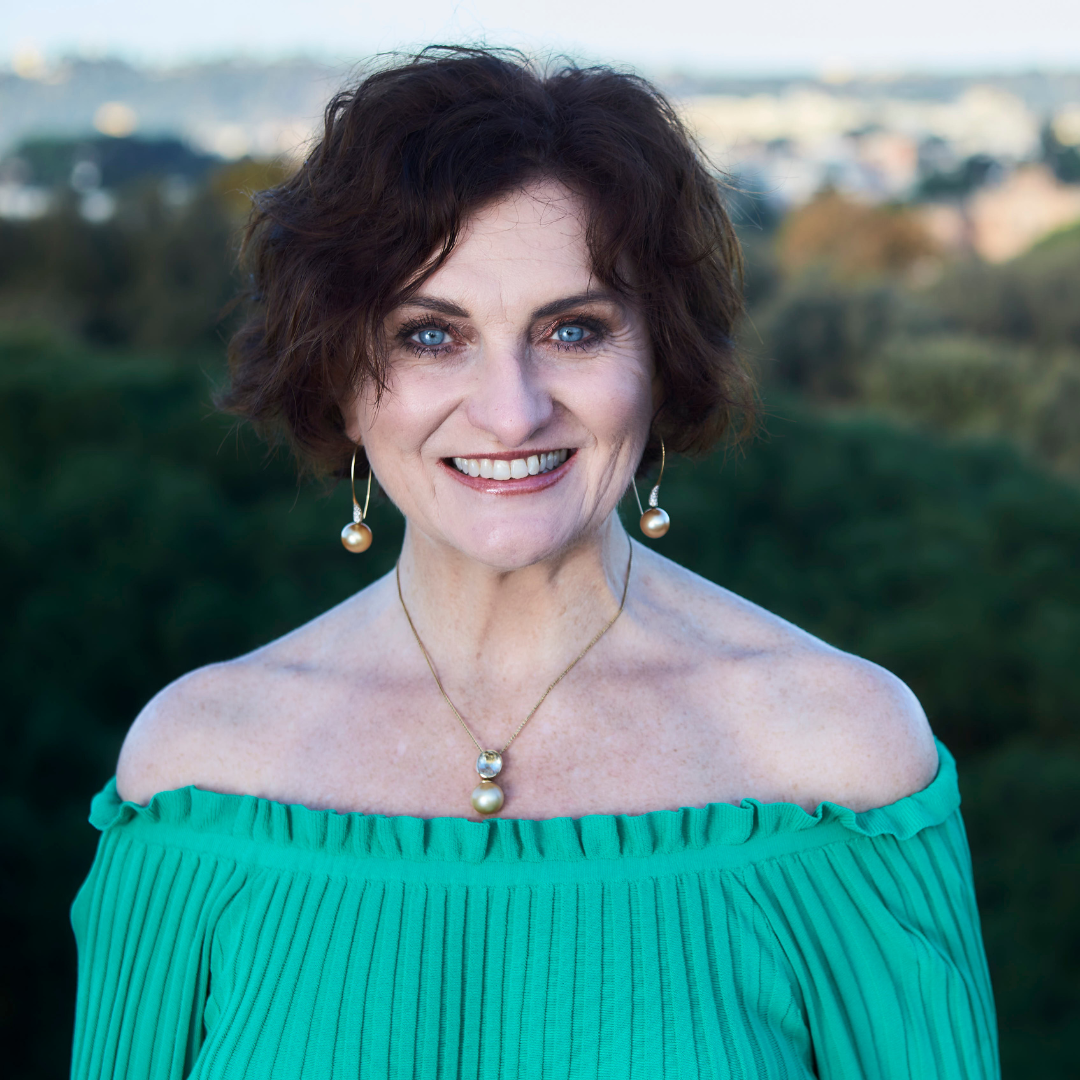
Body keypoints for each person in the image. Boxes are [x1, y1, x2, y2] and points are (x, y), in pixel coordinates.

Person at [70, 47, 999, 1078]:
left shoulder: (840, 762)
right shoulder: (195, 770)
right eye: (431, 336)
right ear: (338, 377)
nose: (511, 412)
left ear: (661, 363)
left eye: (574, 330)